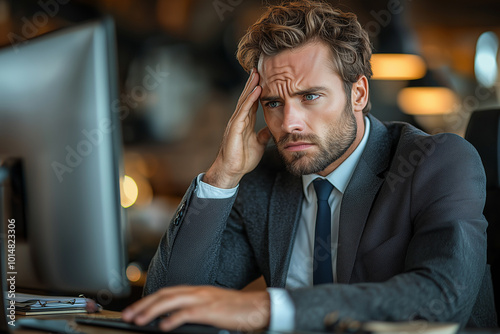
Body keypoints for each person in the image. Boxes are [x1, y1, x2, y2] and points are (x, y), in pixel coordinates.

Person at [122, 0, 497, 332]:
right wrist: (223, 175)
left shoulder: (438, 160)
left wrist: (269, 309)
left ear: (359, 93)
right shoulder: (262, 177)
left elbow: (441, 297)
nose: (289, 123)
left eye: (310, 96)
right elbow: (169, 304)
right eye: (272, 103)